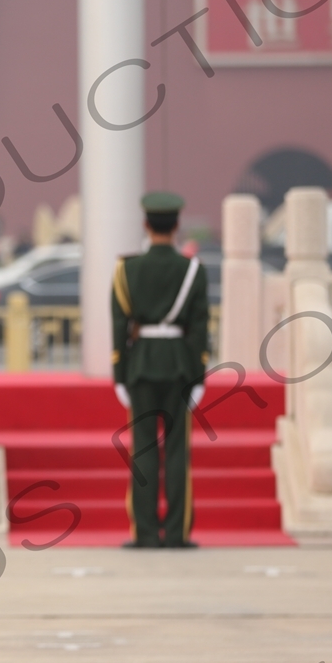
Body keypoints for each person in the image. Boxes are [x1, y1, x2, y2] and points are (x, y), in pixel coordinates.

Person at [110, 191, 209, 549]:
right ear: (177, 225)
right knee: (178, 453)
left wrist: (119, 375)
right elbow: (200, 329)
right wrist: (200, 377)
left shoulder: (126, 270)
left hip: (140, 367)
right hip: (181, 366)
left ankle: (147, 532)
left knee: (144, 452)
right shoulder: (193, 270)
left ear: (146, 224)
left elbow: (119, 326)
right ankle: (178, 532)